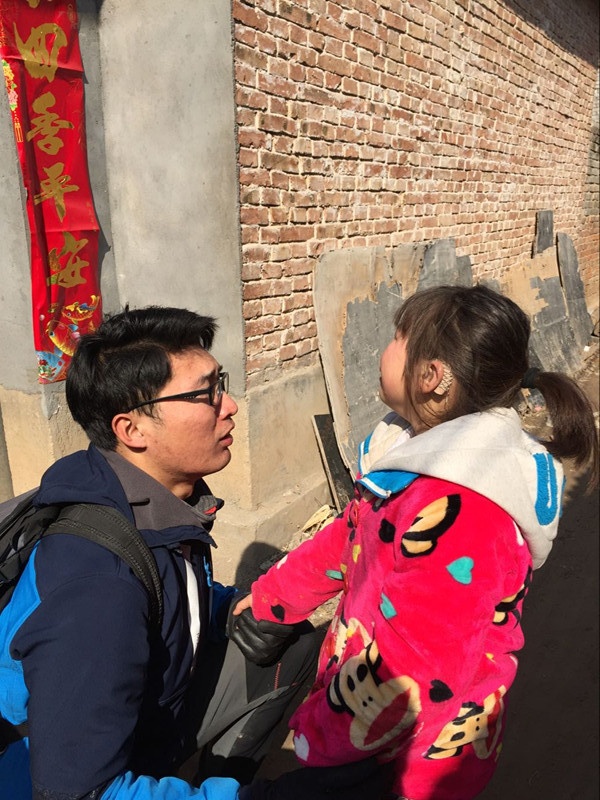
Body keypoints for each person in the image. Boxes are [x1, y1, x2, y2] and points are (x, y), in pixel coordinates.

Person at [234, 284, 599, 800]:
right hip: (371, 726)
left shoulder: (467, 510)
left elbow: (415, 670)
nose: (384, 349)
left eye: (397, 337)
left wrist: (327, 737)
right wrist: (273, 599)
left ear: (432, 377)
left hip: (407, 762)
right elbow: (352, 535)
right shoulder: (412, 451)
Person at [0, 306, 330, 800]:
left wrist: (228, 607)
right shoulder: (96, 585)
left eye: (221, 383)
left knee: (287, 637)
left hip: (143, 719)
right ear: (132, 430)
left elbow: (173, 597)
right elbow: (76, 792)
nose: (230, 405)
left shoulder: (155, 501)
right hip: (57, 775)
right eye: (205, 393)